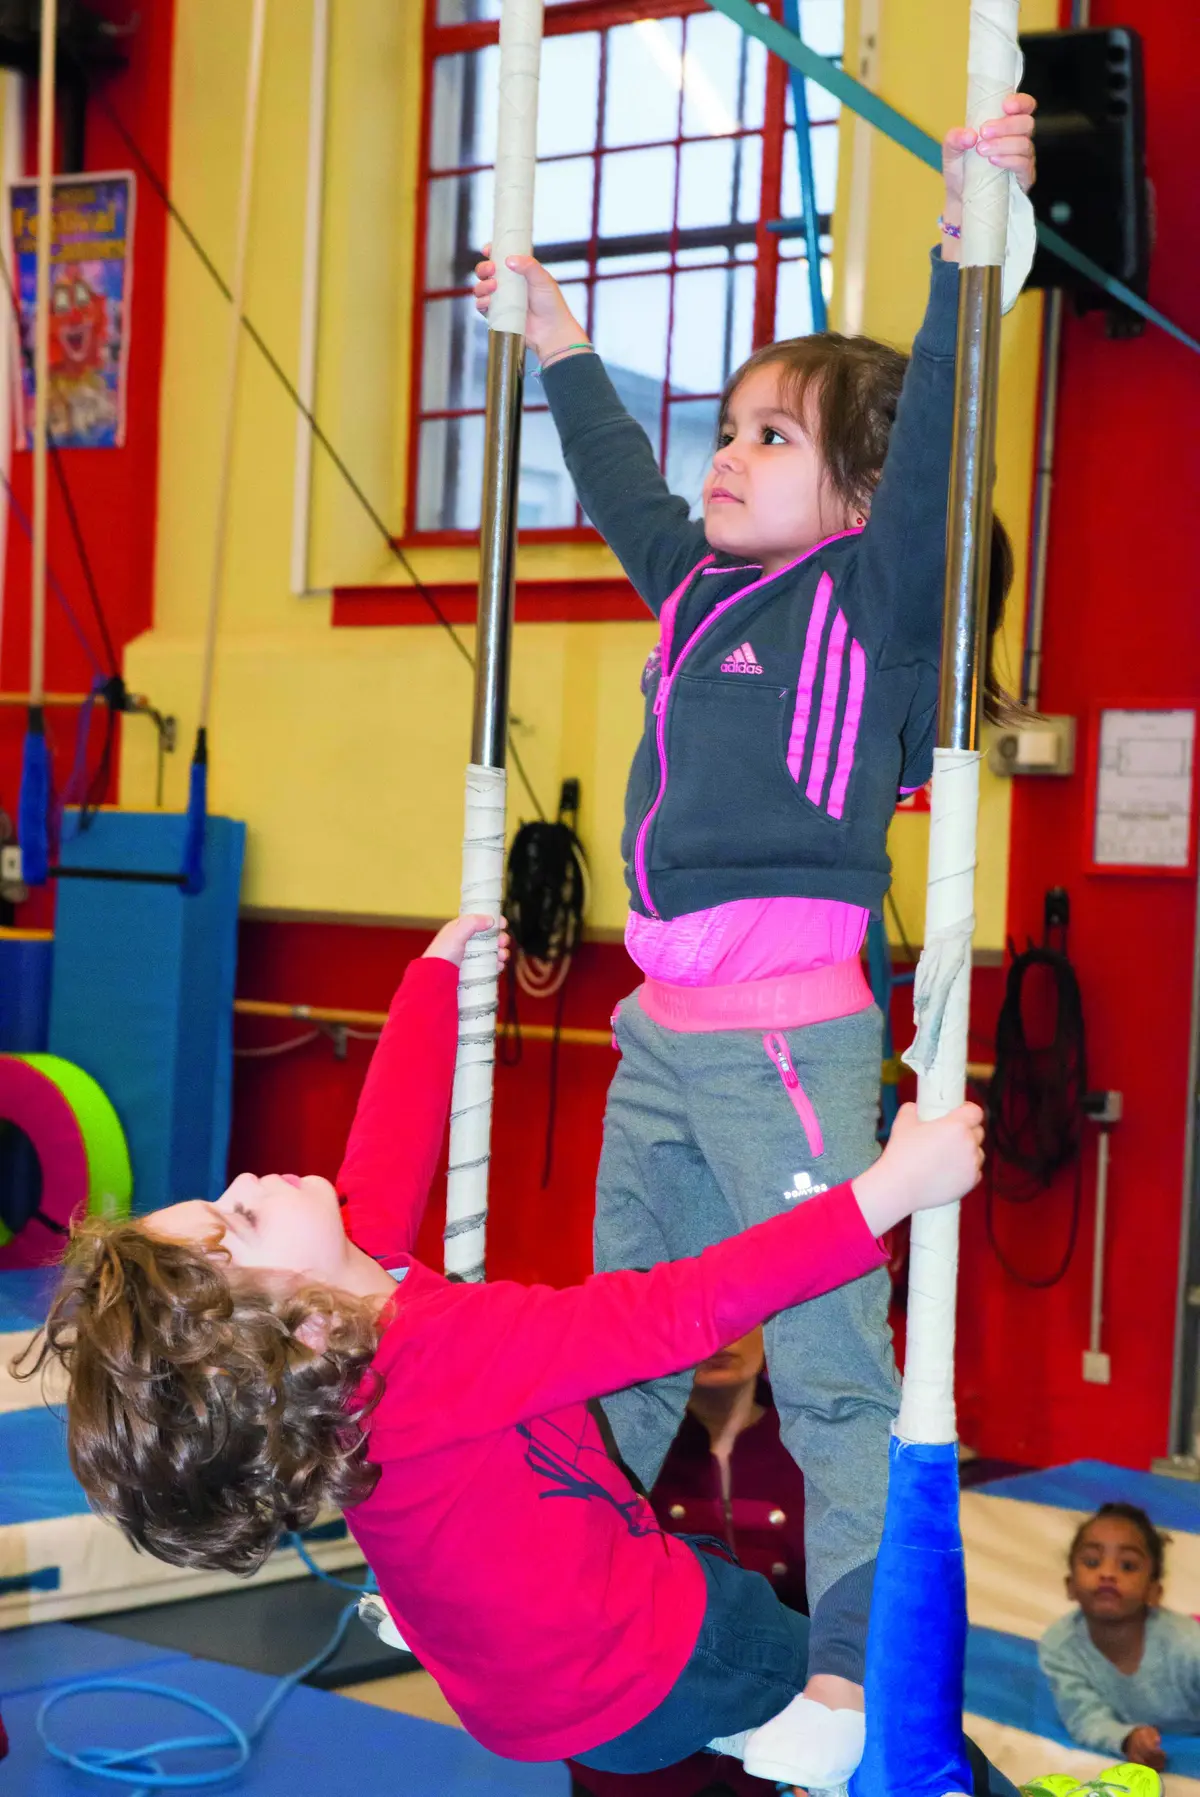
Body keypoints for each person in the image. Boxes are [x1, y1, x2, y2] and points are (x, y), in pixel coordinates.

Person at [473, 93, 1037, 1787]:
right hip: (661, 1035)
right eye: (727, 426)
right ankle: (535, 1583)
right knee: (620, 1334)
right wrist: (560, 336)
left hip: (788, 1040)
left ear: (856, 494)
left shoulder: (866, 595)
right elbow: (613, 477)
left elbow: (938, 441)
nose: (725, 454)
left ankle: (855, 1678)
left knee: (831, 1373)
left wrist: (965, 248)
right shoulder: (696, 583)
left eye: (772, 437)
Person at [18, 916, 989, 1792]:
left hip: (520, 1695)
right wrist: (889, 1190)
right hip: (647, 1669)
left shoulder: (344, 1309)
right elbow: (683, 1308)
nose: (243, 1179)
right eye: (240, 1216)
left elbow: (387, 1149)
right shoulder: (441, 1353)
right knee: (878, 1704)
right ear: (299, 1326)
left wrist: (433, 981)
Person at [1039, 1502, 1200, 1770]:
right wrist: (1127, 1740)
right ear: (1070, 1586)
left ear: (1154, 1592)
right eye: (1092, 1562)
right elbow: (1085, 1717)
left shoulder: (1187, 1645)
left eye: (1127, 1566)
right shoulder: (1060, 1647)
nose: (1107, 1573)